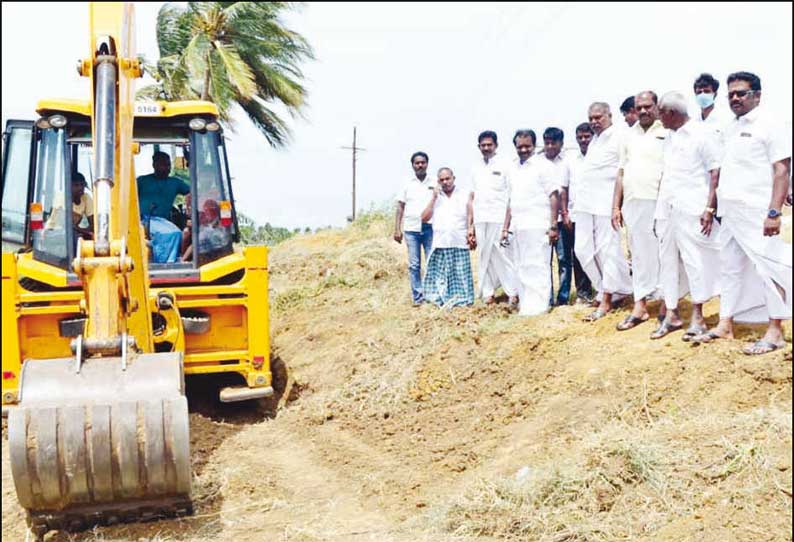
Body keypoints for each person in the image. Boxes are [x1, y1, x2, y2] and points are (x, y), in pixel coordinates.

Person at [693, 71, 792, 355]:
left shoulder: (771, 124)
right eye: (731, 94)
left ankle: (775, 331)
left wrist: (774, 211)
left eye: (741, 93)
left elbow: (782, 170)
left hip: (757, 211)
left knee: (770, 268)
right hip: (730, 211)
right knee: (730, 268)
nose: (735, 98)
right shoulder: (729, 128)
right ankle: (726, 324)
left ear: (757, 95)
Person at [651, 91, 721, 340]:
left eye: (660, 112)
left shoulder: (702, 134)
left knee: (695, 260)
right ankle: (671, 314)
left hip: (693, 208)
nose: (658, 117)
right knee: (667, 260)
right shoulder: (668, 137)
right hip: (667, 208)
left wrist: (709, 208)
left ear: (671, 113)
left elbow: (715, 172)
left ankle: (699, 316)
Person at [611, 91, 667, 330]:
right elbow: (621, 172)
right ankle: (640, 306)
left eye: (648, 106)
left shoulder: (666, 131)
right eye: (639, 107)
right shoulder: (627, 136)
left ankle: (668, 304)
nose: (643, 111)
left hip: (660, 201)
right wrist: (616, 205)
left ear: (656, 107)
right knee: (639, 255)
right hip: (633, 203)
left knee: (665, 253)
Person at [574, 102, 632, 321]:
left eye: (598, 117)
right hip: (585, 205)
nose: (594, 122)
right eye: (591, 118)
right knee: (583, 249)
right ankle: (616, 289)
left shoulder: (619, 136)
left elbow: (622, 171)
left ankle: (607, 298)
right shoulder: (595, 141)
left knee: (609, 251)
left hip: (606, 205)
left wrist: (618, 205)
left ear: (609, 116)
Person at [502, 130, 560, 316]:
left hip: (538, 224)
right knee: (521, 265)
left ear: (534, 146)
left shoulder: (544, 166)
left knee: (538, 265)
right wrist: (505, 227)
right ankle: (527, 305)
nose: (524, 150)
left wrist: (553, 224)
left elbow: (554, 196)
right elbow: (511, 200)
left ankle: (541, 305)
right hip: (519, 226)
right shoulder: (512, 169)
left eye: (527, 146)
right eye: (520, 147)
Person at [470, 130, 519, 305]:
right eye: (483, 145)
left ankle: (512, 292)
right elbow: (472, 196)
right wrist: (471, 225)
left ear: (496, 145)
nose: (486, 148)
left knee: (503, 255)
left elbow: (511, 194)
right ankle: (488, 293)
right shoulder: (475, 167)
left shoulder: (506, 164)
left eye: (489, 145)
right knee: (485, 255)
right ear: (478, 147)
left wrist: (507, 223)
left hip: (499, 217)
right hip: (481, 217)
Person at [421, 168, 476, 307]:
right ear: (438, 181)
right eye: (442, 180)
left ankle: (463, 300)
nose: (445, 182)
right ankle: (441, 300)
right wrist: (433, 198)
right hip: (441, 241)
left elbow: (471, 213)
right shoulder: (435, 196)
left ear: (453, 178)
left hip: (459, 240)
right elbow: (424, 217)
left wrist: (470, 229)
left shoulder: (464, 194)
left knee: (460, 273)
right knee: (441, 274)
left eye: (448, 179)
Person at [394, 151, 435, 305]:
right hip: (411, 230)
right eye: (417, 163)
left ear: (427, 164)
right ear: (412, 165)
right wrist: (397, 229)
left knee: (432, 262)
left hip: (430, 228)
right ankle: (418, 298)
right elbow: (400, 207)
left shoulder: (434, 182)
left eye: (423, 162)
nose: (420, 165)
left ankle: (432, 295)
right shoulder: (406, 183)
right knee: (414, 265)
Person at [537, 127, 572, 306]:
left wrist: (565, 214)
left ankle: (563, 298)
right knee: (544, 261)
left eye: (553, 143)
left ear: (561, 143)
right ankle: (547, 298)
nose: (549, 146)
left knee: (564, 259)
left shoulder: (568, 161)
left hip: (562, 219)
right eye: (547, 142)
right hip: (543, 219)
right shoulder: (537, 162)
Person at [137, 151, 190, 263]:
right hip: (143, 219)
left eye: (168, 165)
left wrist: (190, 209)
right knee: (173, 234)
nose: (167, 168)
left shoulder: (175, 182)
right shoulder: (142, 181)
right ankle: (167, 263)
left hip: (163, 221)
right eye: (163, 165)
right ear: (154, 165)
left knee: (177, 232)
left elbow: (192, 193)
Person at [562, 123, 595, 304]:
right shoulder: (571, 160)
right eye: (580, 137)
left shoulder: (599, 156)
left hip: (596, 213)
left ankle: (604, 290)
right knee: (579, 253)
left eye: (586, 137)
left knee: (598, 251)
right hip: (576, 214)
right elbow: (564, 188)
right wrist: (565, 213)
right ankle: (583, 292)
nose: (583, 140)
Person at [693, 73, 729, 142]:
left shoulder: (725, 119)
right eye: (699, 92)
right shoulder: (693, 122)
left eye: (706, 91)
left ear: (715, 94)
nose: (702, 94)